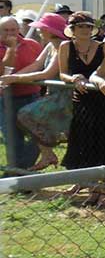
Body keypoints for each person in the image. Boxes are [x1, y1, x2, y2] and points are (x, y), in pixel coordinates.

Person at [58, 12, 105, 204]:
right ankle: (90, 186)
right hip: (80, 102)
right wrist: (74, 78)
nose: (85, 30)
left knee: (104, 142)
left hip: (102, 101)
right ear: (72, 29)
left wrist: (94, 80)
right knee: (83, 143)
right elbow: (62, 73)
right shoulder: (65, 46)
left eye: (88, 26)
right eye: (81, 26)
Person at [2, 13, 69, 170]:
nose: (38, 30)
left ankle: (47, 155)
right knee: (28, 119)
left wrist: (14, 78)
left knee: (27, 115)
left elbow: (47, 74)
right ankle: (46, 155)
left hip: (65, 97)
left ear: (50, 30)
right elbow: (36, 65)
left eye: (41, 28)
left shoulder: (63, 46)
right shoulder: (50, 46)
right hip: (52, 95)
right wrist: (10, 78)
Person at [1, 15, 45, 169]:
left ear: (19, 29)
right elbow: (4, 71)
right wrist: (11, 48)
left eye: (13, 29)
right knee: (13, 139)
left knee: (39, 136)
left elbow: (41, 66)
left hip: (32, 96)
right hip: (6, 99)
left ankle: (18, 172)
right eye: (6, 30)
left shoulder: (32, 45)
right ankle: (19, 174)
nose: (10, 33)